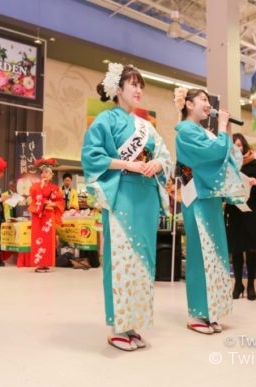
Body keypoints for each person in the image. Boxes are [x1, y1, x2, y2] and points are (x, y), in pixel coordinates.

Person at [81, 63, 172, 351]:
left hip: (145, 197)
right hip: (121, 195)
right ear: (118, 89)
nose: (139, 89)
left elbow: (165, 155)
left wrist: (158, 163)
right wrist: (127, 163)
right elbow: (91, 156)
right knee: (120, 259)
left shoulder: (146, 126)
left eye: (141, 85)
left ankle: (133, 323)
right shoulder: (105, 121)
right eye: (133, 84)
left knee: (143, 261)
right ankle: (116, 326)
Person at [174, 87, 249, 334]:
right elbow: (213, 153)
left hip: (210, 197)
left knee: (214, 254)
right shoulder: (185, 130)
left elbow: (232, 157)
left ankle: (211, 310)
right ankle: (197, 312)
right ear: (188, 104)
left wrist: (224, 132)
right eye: (203, 100)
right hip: (197, 194)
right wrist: (223, 132)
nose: (208, 104)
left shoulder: (204, 131)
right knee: (199, 254)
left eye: (208, 100)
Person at [225, 133, 256, 301]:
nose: (237, 148)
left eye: (239, 145)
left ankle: (251, 284)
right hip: (235, 209)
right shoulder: (227, 165)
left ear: (244, 146)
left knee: (251, 249)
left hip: (253, 210)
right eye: (234, 146)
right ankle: (238, 284)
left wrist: (255, 182)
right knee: (236, 249)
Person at [28, 158, 65, 273]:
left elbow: (60, 202)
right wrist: (41, 187)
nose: (44, 174)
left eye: (47, 172)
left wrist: (52, 203)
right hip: (38, 216)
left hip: (49, 216)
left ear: (51, 174)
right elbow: (34, 197)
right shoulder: (35, 186)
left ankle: (47, 264)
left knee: (48, 241)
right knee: (38, 239)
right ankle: (39, 264)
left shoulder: (55, 188)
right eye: (43, 172)